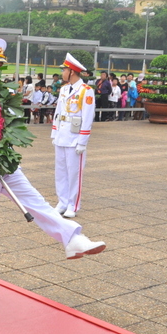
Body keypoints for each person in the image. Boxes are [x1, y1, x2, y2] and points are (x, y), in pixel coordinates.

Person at [0, 40, 105, 307]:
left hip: (6, 163)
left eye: (0, 66)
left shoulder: (3, 93)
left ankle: (73, 238)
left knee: (37, 203)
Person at [52, 53, 95, 218]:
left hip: (75, 138)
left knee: (74, 172)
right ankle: (62, 202)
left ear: (72, 72)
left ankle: (73, 205)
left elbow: (87, 117)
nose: (62, 72)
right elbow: (58, 113)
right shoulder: (63, 89)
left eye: (64, 70)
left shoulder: (86, 91)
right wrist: (54, 133)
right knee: (60, 171)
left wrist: (82, 142)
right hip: (62, 136)